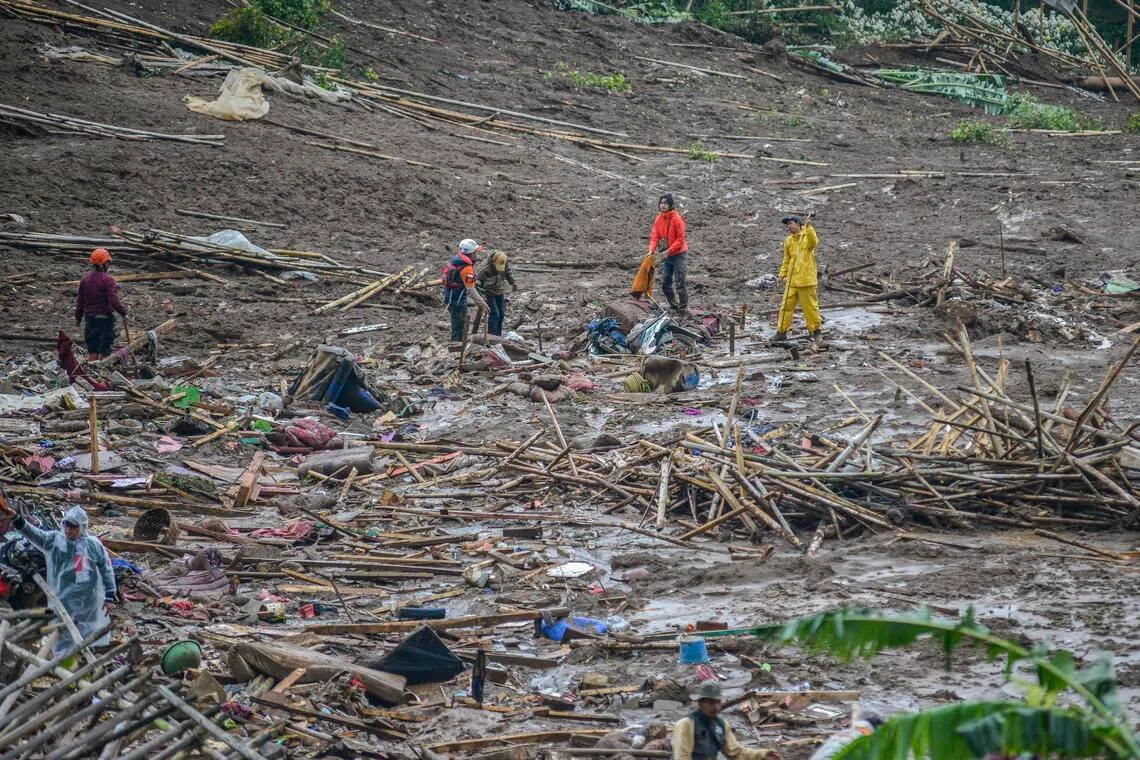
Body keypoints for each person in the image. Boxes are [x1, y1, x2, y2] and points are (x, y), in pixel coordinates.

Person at [0, 493, 116, 655]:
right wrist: (17, 519)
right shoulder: (55, 541)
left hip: (89, 600)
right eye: (66, 525)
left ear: (81, 527)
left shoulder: (92, 545)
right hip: (63, 599)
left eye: (73, 526)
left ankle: (88, 656)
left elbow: (106, 569)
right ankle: (66, 662)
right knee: (63, 634)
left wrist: (110, 595)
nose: (68, 530)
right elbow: (32, 533)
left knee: (89, 633)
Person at [673, 682, 776, 760]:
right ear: (701, 703)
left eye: (718, 702)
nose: (717, 707)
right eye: (711, 703)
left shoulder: (721, 724)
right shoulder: (686, 724)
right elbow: (682, 757)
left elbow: (736, 752)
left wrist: (762, 755)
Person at [775, 214, 822, 351]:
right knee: (785, 308)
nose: (789, 226)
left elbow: (814, 242)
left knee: (810, 309)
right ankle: (781, 332)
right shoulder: (789, 241)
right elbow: (787, 259)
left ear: (798, 224)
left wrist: (809, 227)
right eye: (787, 224)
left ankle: (817, 333)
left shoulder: (806, 238)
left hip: (806, 281)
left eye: (790, 223)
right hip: (792, 281)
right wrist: (782, 274)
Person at [75, 247, 128, 361]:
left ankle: (92, 372)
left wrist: (78, 318)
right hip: (105, 319)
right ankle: (102, 372)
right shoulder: (108, 280)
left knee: (92, 348)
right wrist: (123, 313)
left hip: (90, 319)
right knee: (105, 349)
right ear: (104, 263)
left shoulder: (85, 280)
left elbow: (80, 301)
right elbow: (113, 300)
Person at [442, 238, 489, 341]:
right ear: (470, 254)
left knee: (456, 324)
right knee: (460, 326)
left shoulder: (456, 260)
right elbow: (471, 290)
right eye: (475, 252)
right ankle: (457, 348)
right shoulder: (466, 268)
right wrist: (482, 303)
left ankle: (457, 344)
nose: (476, 255)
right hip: (457, 300)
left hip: (450, 296)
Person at [648, 194, 688, 311]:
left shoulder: (677, 219)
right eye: (661, 203)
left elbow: (680, 239)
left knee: (680, 283)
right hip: (667, 255)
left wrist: (669, 250)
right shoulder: (659, 218)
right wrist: (651, 249)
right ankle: (674, 305)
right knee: (665, 282)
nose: (663, 205)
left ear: (670, 205)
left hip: (679, 254)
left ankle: (683, 308)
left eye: (665, 203)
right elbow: (655, 236)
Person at [477, 250, 518, 337]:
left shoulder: (504, 261)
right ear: (493, 261)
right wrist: (481, 297)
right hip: (489, 292)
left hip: (499, 291)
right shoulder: (484, 268)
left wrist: (513, 282)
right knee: (495, 313)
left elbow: (507, 272)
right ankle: (492, 335)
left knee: (502, 312)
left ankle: (498, 335)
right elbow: (477, 282)